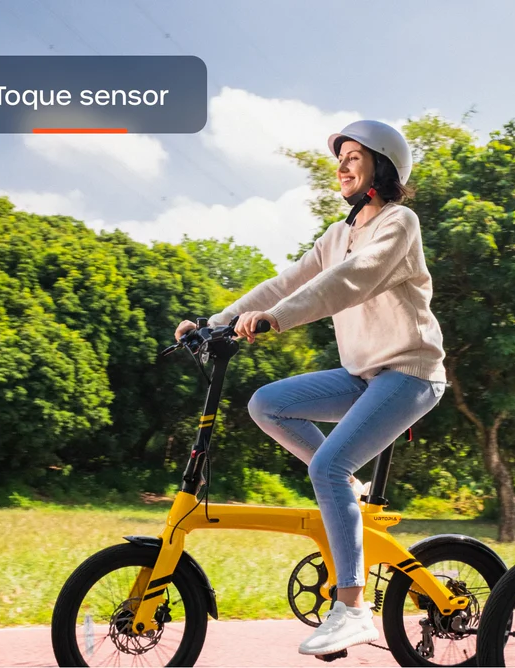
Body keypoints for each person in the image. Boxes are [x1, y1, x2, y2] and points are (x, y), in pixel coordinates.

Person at [174, 120, 447, 656]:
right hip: (364, 374)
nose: (341, 166)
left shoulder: (399, 223)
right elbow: (288, 280)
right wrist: (215, 321)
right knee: (268, 403)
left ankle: (353, 609)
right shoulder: (338, 234)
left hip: (411, 373)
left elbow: (353, 279)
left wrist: (275, 319)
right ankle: (350, 494)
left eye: (353, 157)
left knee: (327, 466)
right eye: (339, 158)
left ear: (382, 167)